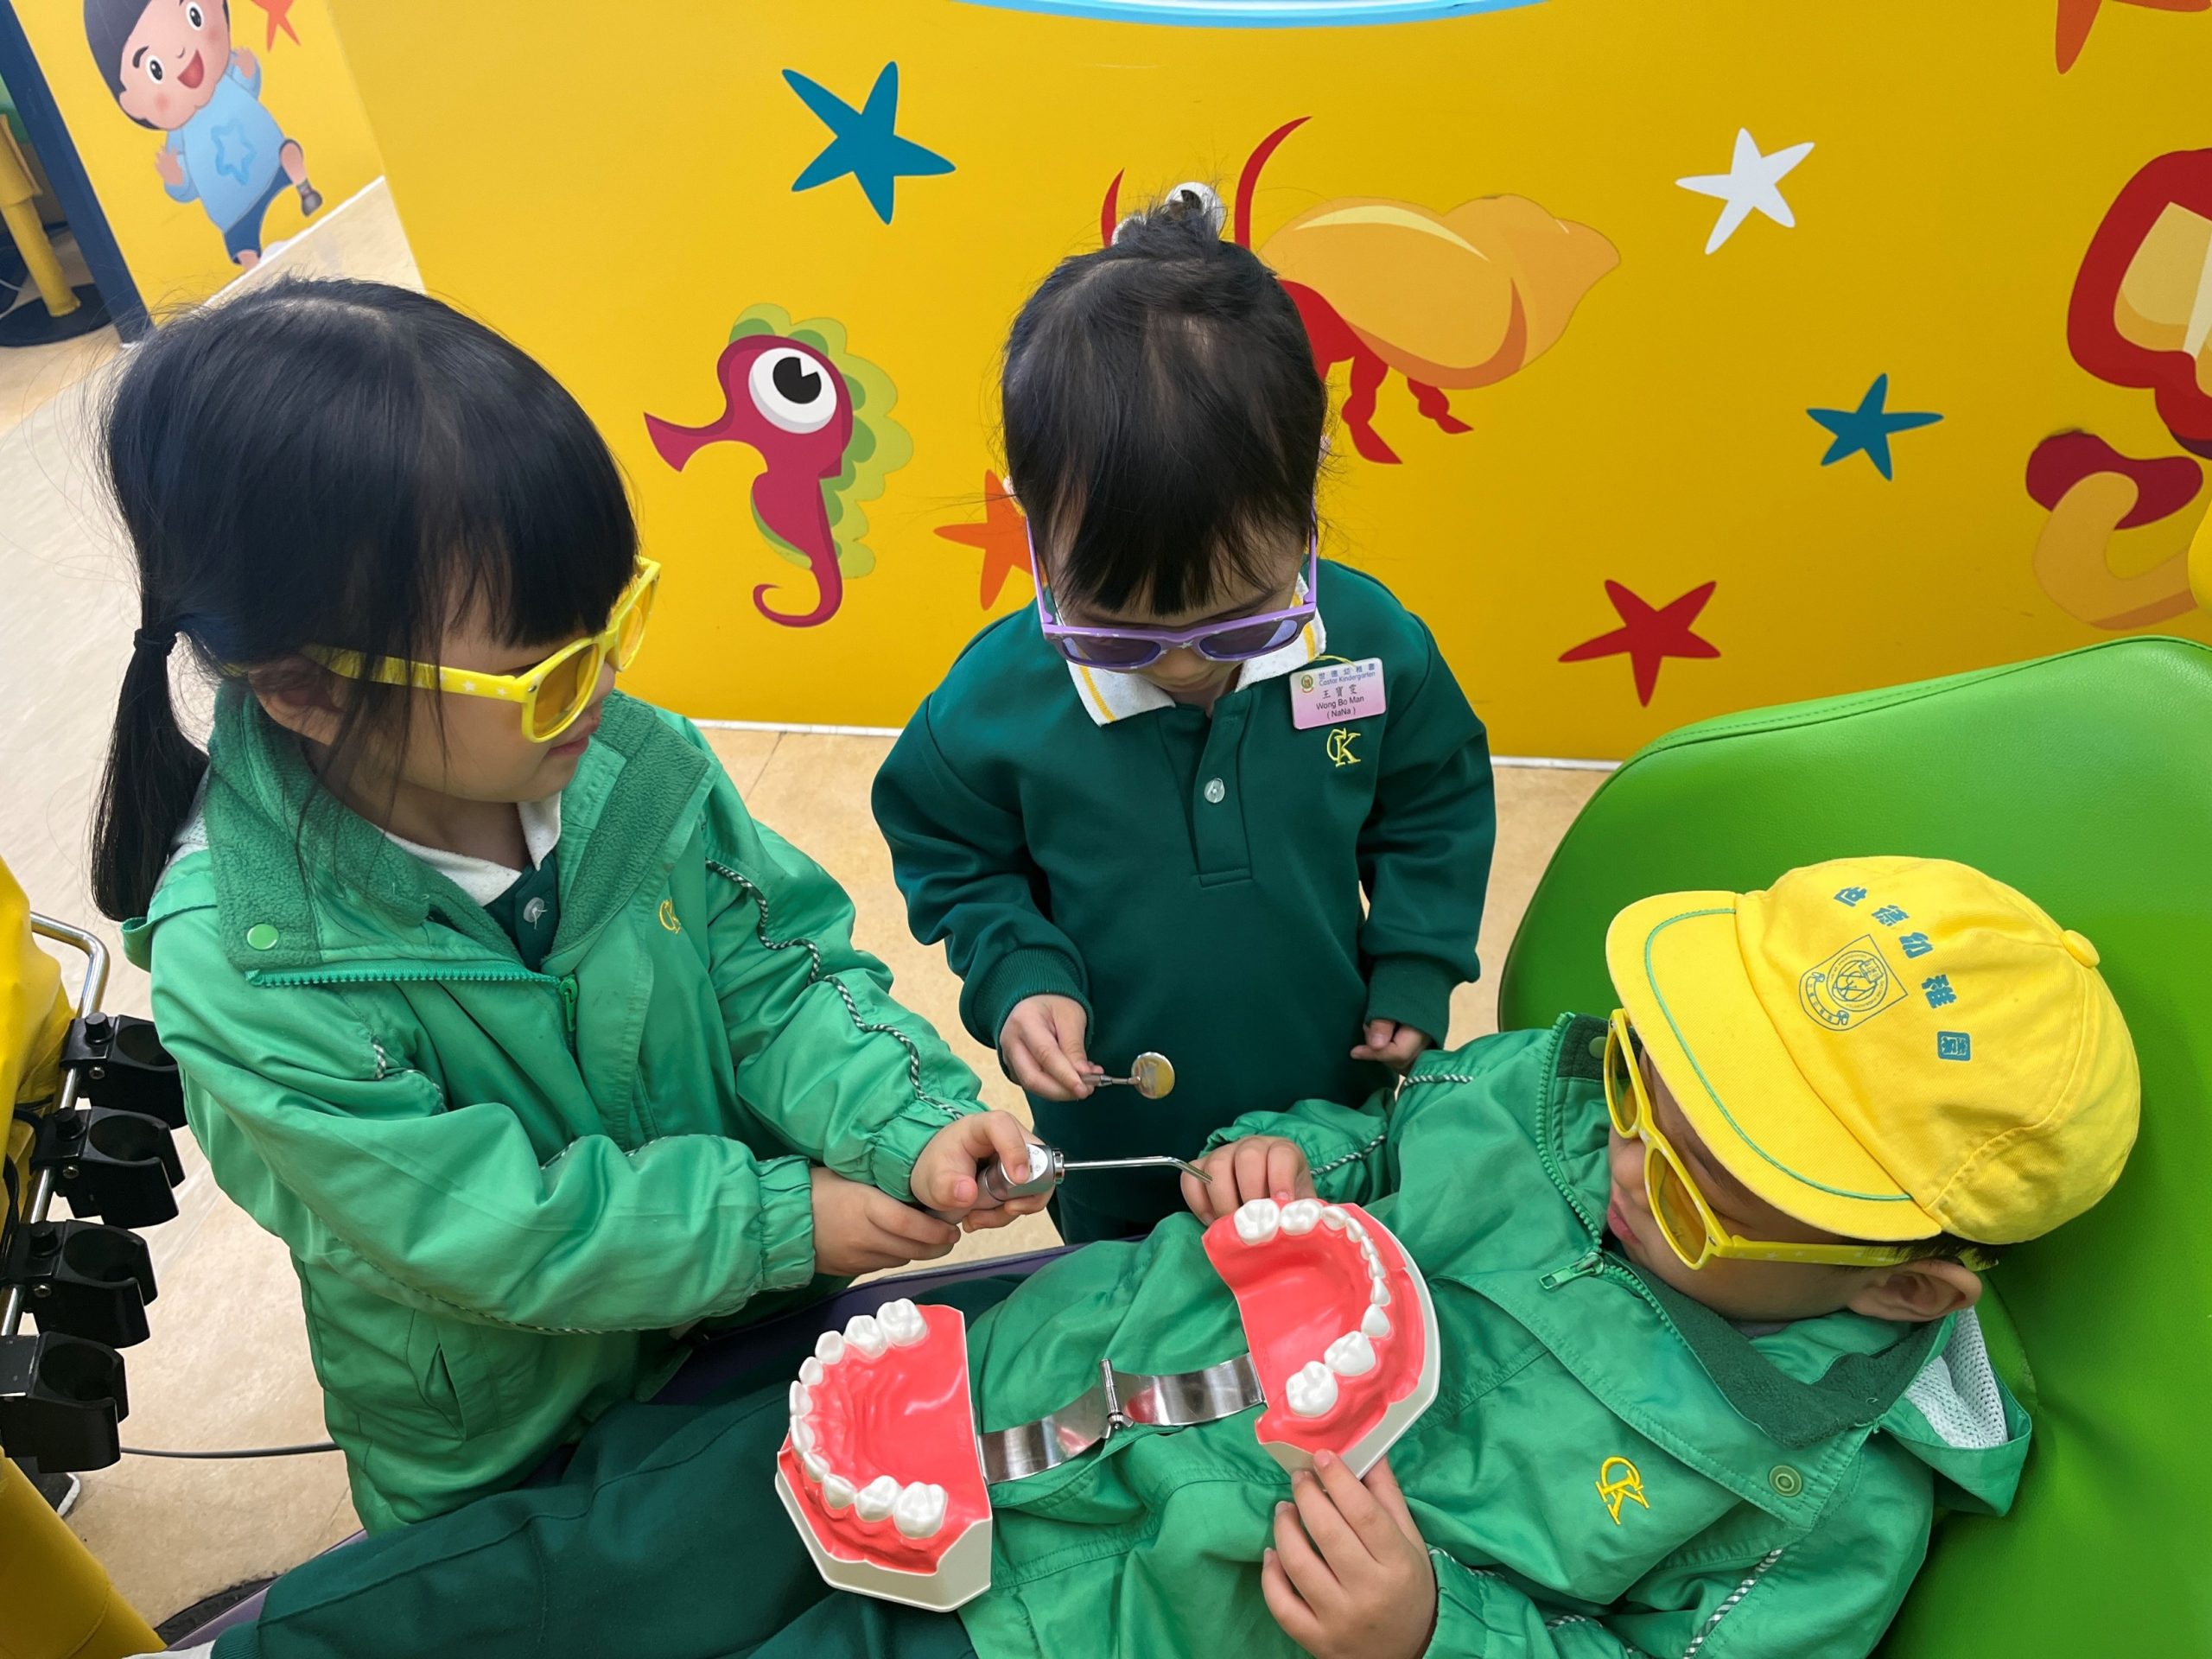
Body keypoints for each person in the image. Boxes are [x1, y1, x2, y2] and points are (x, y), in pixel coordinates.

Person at [162, 855, 2139, 1659]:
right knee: (618, 1539)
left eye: (1709, 1191)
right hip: (993, 1389)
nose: (1625, 1168)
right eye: (1643, 1081)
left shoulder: (1827, 1510)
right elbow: (1382, 1144)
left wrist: (1432, 1629)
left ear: (1904, 1282)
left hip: (1106, 1622)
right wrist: (1297, 1154)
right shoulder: (1558, 1098)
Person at [95, 280, 1044, 1530]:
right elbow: (480, 1226)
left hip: (754, 1343)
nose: (600, 690)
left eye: (610, 622)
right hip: (511, 1454)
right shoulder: (248, 962)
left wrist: (900, 1120)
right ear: (307, 691)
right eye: (543, 670)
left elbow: (778, 976)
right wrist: (776, 1222)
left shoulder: (629, 765)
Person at [873, 188, 1496, 1241]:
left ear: (1305, 502)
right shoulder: (989, 708)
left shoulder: (1371, 645)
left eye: (1238, 622)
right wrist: (1017, 973)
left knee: (1324, 1287)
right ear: (1034, 526)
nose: (1181, 665)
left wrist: (1416, 958)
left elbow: (1432, 803)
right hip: (1116, 1134)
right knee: (1130, 1301)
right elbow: (954, 856)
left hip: (1324, 1113)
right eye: (1119, 633)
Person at [82, 0, 322, 266]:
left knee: (288, 153)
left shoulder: (228, 80)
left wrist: (249, 71)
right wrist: (175, 179)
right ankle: (254, 272)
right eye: (155, 69)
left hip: (272, 163)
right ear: (132, 103)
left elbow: (250, 87)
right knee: (243, 245)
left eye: (194, 15)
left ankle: (305, 189)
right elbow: (187, 189)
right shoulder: (179, 140)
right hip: (233, 210)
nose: (181, 52)